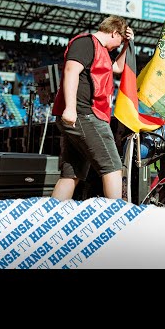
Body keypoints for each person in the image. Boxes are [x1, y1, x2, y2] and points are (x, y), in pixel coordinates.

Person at [50, 15, 134, 201]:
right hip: (85, 114)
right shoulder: (86, 43)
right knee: (112, 166)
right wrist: (70, 108)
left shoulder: (101, 51)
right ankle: (117, 218)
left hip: (81, 116)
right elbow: (71, 70)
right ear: (114, 32)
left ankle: (52, 216)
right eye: (120, 40)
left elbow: (118, 68)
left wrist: (128, 44)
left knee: (71, 173)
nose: (119, 45)